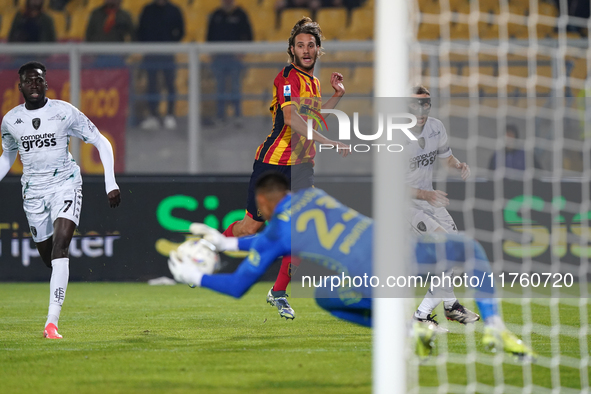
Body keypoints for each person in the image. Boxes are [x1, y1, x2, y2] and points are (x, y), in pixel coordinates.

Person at [168, 172, 536, 359]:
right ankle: (495, 326)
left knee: (326, 297)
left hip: (370, 276)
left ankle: (409, 329)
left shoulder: (278, 230)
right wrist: (225, 242)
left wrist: (195, 274)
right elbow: (281, 234)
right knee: (468, 246)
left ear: (263, 202)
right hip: (401, 249)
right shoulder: (313, 195)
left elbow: (237, 286)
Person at [218, 17, 350, 320]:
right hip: (273, 164)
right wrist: (329, 141)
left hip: (302, 166)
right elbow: (291, 119)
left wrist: (337, 96)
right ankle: (209, 251)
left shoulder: (314, 83)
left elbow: (312, 118)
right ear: (292, 49)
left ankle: (278, 291)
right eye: (300, 45)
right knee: (251, 227)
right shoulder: (287, 78)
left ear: (318, 50)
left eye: (311, 45)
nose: (306, 50)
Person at [0, 62, 121, 339]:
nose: (34, 85)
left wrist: (110, 183)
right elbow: (8, 155)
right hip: (32, 192)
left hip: (65, 184)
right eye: (28, 81)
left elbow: (101, 141)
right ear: (19, 87)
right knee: (49, 257)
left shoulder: (64, 112)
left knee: (61, 246)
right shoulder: (10, 121)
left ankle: (51, 323)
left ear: (45, 84)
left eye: (38, 80)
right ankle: (60, 276)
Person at [405, 85, 480, 332]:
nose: (421, 109)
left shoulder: (436, 127)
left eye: (426, 104)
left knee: (460, 252)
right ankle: (422, 315)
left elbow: (446, 157)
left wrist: (458, 166)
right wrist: (425, 194)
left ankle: (450, 306)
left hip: (430, 201)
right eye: (416, 104)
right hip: (407, 205)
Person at [136, 0, 184, 131]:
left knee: (170, 84)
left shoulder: (174, 10)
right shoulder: (147, 10)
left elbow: (180, 30)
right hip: (150, 54)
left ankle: (170, 115)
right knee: (152, 84)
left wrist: (171, 43)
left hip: (168, 54)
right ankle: (153, 115)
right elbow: (140, 30)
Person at [207, 0, 253, 125]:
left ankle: (237, 115)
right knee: (220, 88)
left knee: (235, 87)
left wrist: (242, 52)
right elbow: (209, 36)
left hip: (234, 58)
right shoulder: (215, 15)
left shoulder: (241, 14)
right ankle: (220, 115)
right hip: (219, 58)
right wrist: (211, 52)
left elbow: (249, 36)